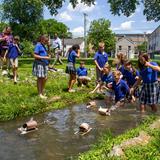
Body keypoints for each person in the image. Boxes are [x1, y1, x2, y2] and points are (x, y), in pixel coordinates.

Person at [32, 35, 51, 99]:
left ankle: (42, 91)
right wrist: (44, 57)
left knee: (45, 78)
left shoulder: (44, 46)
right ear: (42, 40)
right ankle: (40, 94)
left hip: (44, 64)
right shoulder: (38, 45)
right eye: (46, 41)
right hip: (39, 64)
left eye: (47, 41)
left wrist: (48, 47)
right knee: (40, 78)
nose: (47, 42)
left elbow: (48, 54)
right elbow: (34, 55)